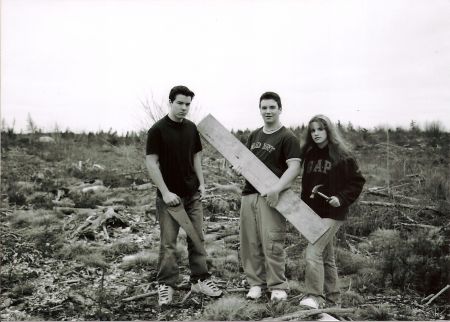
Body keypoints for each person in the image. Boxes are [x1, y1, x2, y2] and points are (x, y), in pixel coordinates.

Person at [145, 85, 222, 306]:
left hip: (192, 195)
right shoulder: (157, 130)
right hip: (170, 199)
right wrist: (166, 191)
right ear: (170, 102)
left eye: (188, 104)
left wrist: (202, 183)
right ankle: (166, 284)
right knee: (168, 243)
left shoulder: (190, 128)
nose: (184, 108)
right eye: (180, 103)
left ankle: (200, 279)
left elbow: (196, 157)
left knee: (197, 238)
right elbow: (151, 163)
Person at [238, 92, 302, 301]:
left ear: (280, 109)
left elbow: (294, 167)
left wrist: (276, 189)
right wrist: (238, 169)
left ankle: (277, 285)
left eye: (272, 107)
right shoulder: (254, 136)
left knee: (272, 241)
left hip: (272, 197)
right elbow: (247, 164)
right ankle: (256, 284)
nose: (268, 111)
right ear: (260, 110)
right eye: (264, 108)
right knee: (250, 242)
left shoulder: (287, 137)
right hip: (249, 194)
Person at [298, 114, 365, 309]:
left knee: (313, 252)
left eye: (321, 129)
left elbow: (357, 182)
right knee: (326, 256)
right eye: (313, 130)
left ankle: (314, 297)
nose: (316, 133)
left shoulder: (342, 155)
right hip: (313, 212)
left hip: (333, 212)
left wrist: (341, 198)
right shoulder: (309, 154)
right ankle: (334, 299)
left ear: (328, 130)